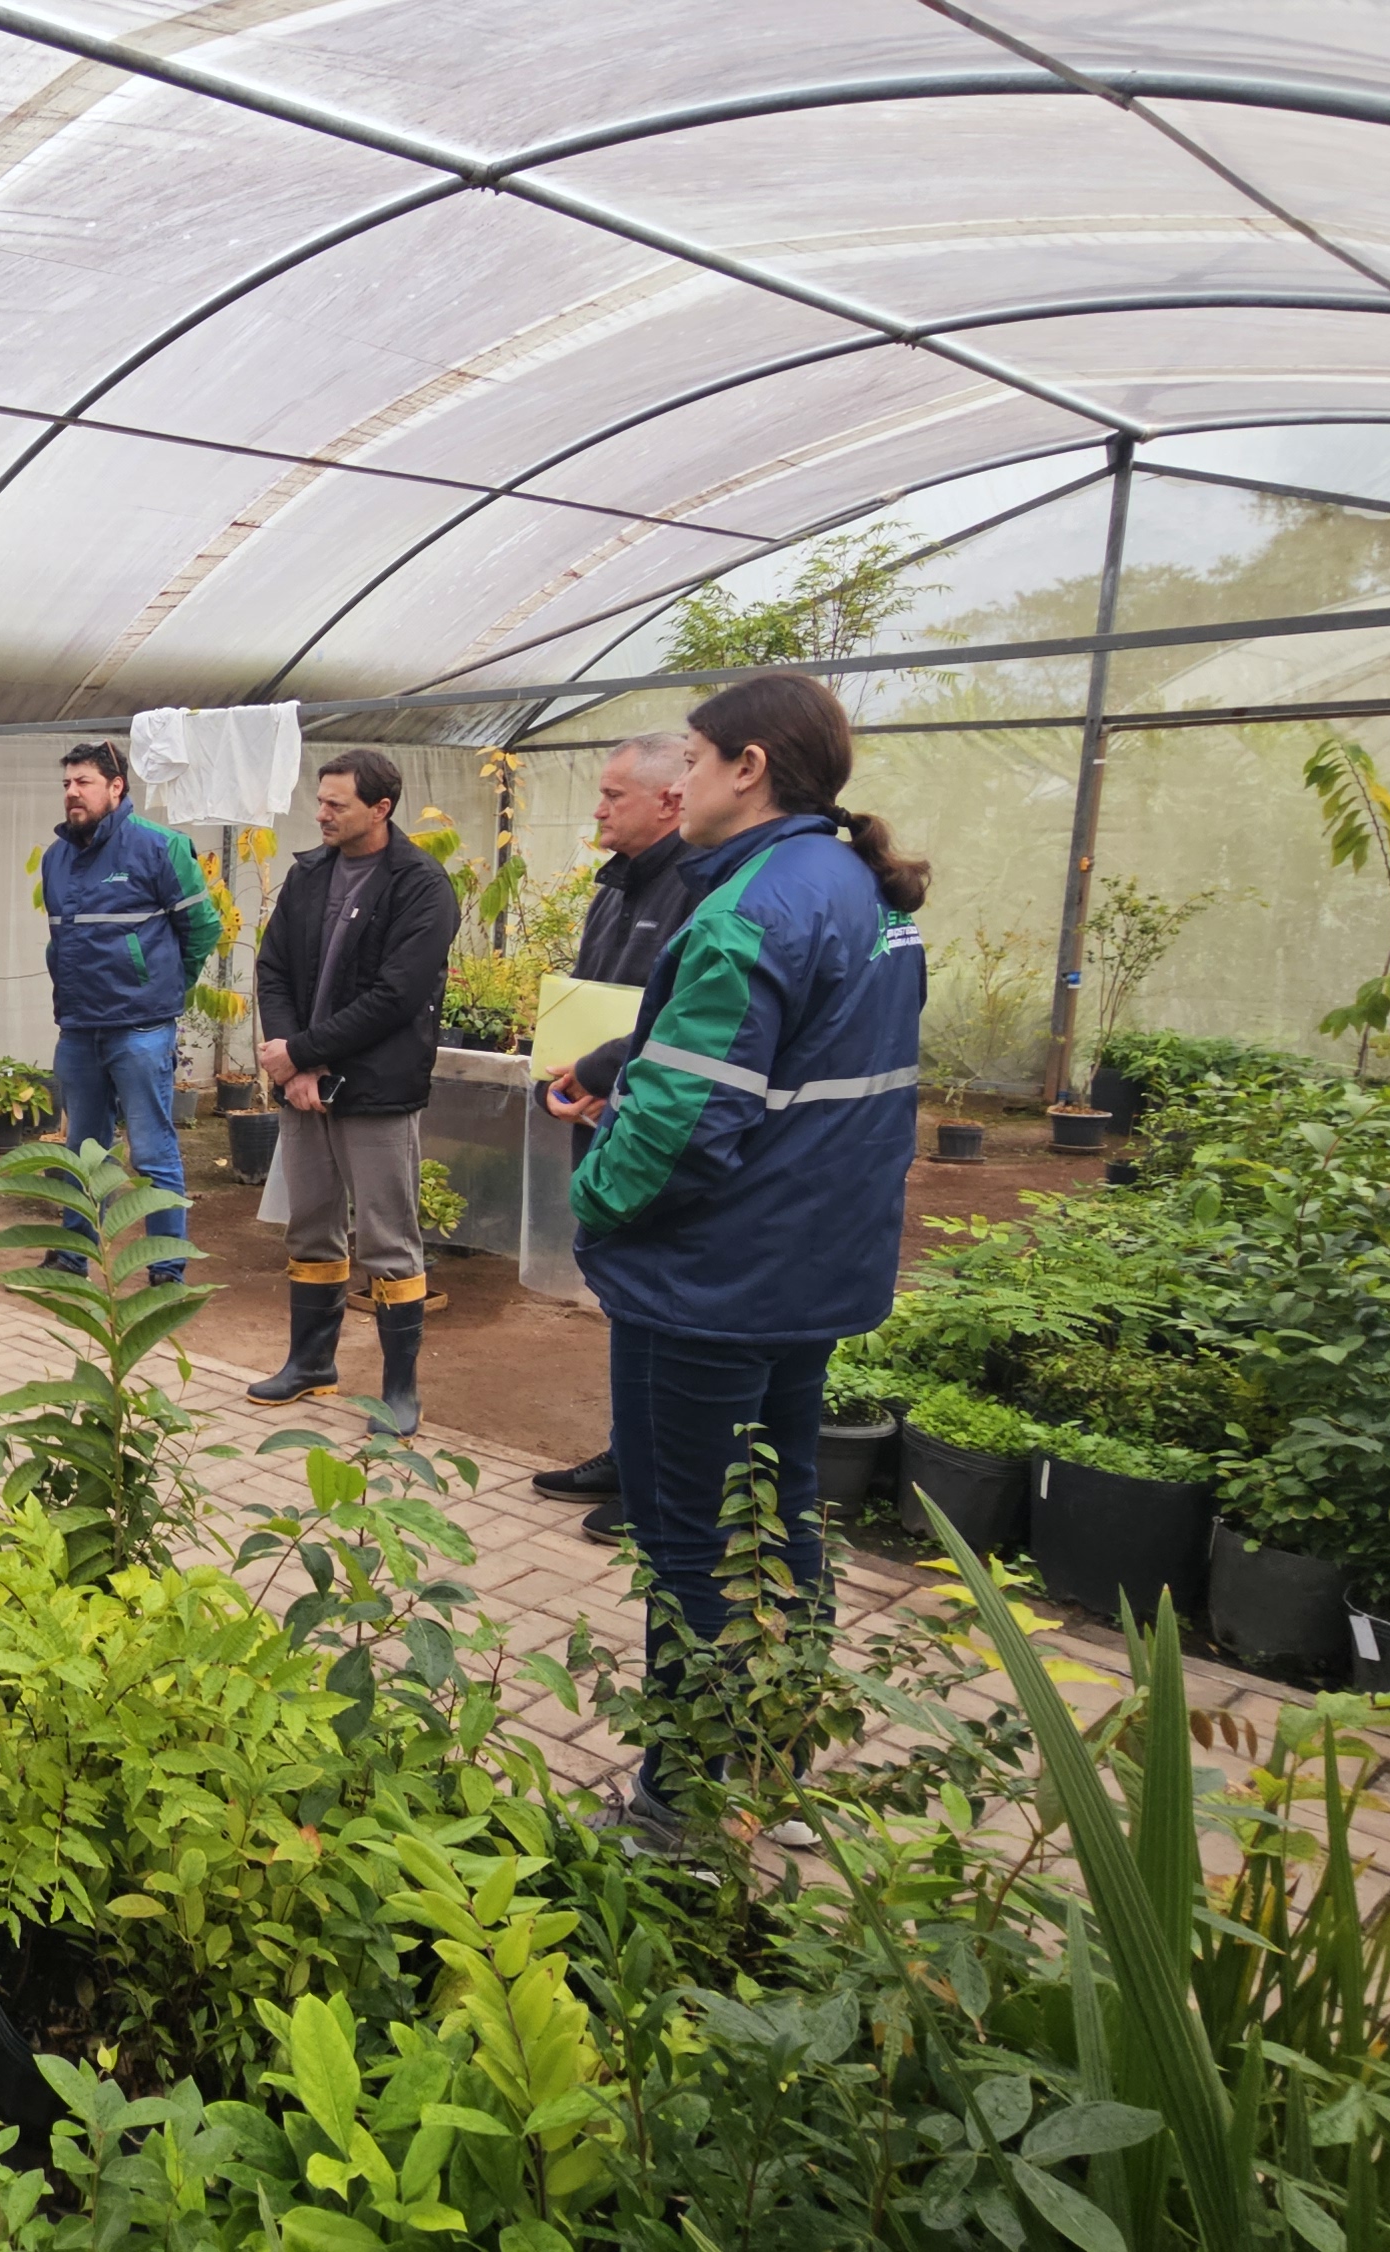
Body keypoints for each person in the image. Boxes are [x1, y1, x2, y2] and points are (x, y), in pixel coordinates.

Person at [567, 672, 928, 1827]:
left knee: (689, 1547)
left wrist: (593, 1197)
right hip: (810, 1267)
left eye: (694, 758)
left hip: (711, 1286)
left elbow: (679, 1130)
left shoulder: (747, 910)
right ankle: (773, 1749)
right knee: (780, 1516)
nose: (678, 780)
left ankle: (672, 1808)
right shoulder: (860, 890)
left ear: (748, 767)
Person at [244, 748, 456, 1437]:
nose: (322, 813)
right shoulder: (310, 875)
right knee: (310, 1226)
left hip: (377, 1089)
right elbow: (272, 968)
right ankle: (311, 1364)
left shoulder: (421, 886)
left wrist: (302, 1053)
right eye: (322, 800)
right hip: (304, 1086)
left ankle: (400, 1390)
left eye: (337, 804)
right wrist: (290, 1062)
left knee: (390, 1239)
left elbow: (397, 996)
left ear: (381, 808)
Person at [530, 730, 703, 1521]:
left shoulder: (698, 892)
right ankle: (627, 1453)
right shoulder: (615, 888)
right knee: (621, 1296)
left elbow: (681, 1023)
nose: (596, 808)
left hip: (651, 1121)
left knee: (656, 1298)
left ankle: (657, 1485)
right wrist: (559, 1079)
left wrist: (606, 1077)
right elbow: (587, 1000)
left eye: (612, 796)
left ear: (670, 801)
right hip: (599, 1112)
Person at [35, 741, 221, 1283]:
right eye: (67, 782)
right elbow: (61, 940)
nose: (72, 791)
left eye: (84, 781)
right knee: (82, 1151)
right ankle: (74, 1256)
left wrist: (165, 989)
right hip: (78, 1028)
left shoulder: (159, 847)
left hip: (140, 1030)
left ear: (116, 787)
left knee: (153, 1151)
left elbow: (203, 928)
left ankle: (166, 1268)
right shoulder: (56, 858)